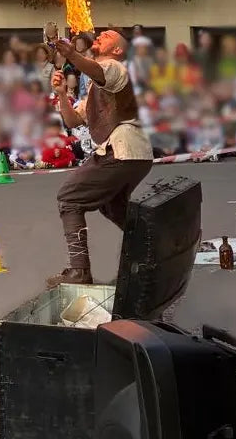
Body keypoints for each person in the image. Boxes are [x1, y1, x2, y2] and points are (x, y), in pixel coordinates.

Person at [47, 28, 153, 287]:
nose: (101, 35)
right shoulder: (97, 84)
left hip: (122, 150)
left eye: (108, 36)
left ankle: (79, 271)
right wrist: (61, 94)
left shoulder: (115, 68)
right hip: (134, 155)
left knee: (69, 198)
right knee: (112, 206)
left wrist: (72, 55)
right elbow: (73, 121)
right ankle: (155, 247)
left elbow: (98, 70)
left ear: (117, 50)